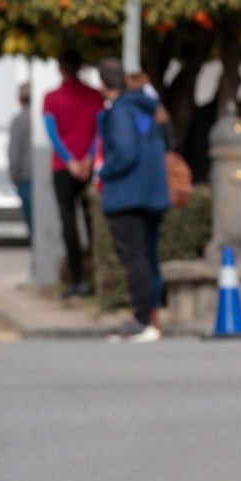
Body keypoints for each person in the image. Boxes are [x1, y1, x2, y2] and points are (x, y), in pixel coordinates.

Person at [95, 59, 171, 344]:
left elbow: (125, 151)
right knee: (149, 257)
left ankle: (141, 319)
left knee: (134, 258)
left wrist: (103, 171)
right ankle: (152, 318)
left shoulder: (120, 111)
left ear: (103, 85)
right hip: (153, 192)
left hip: (127, 195)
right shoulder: (149, 109)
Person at [43, 50, 107, 297]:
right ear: (81, 66)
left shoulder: (51, 98)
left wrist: (70, 161)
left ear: (60, 68)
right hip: (89, 167)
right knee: (92, 221)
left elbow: (52, 133)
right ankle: (97, 277)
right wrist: (89, 158)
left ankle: (76, 279)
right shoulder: (95, 96)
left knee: (68, 222)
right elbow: (100, 131)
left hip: (63, 167)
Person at [9, 82, 34, 232]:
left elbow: (14, 151)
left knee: (32, 224)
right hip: (46, 177)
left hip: (26, 177)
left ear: (20, 99)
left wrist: (14, 175)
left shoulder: (19, 120)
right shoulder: (43, 117)